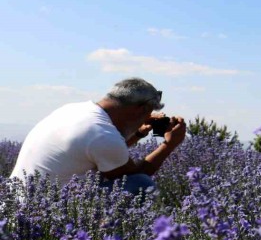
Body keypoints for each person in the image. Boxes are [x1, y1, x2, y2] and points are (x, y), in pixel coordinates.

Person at [10, 77, 186, 195]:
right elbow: (136, 175)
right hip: (44, 212)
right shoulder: (102, 135)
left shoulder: (73, 110)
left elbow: (100, 151)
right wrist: (169, 145)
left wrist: (138, 133)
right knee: (140, 184)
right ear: (141, 109)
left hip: (13, 205)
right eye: (147, 112)